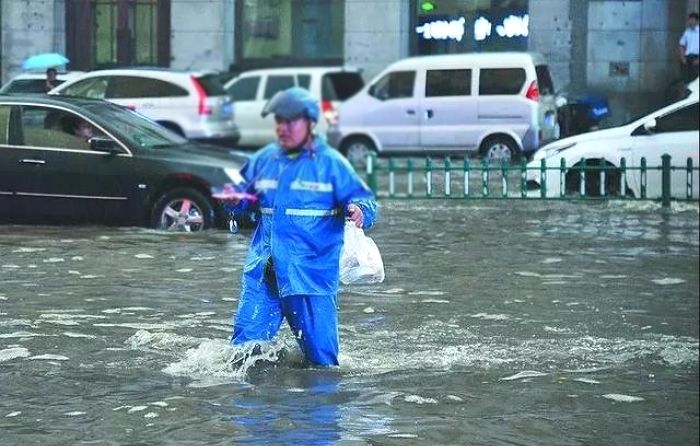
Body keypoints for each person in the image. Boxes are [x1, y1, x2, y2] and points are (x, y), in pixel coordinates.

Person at [228, 87, 377, 367]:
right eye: (279, 121)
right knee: (243, 357)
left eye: (290, 121)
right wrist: (235, 200)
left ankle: (315, 409)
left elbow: (364, 201)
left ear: (309, 123)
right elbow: (238, 201)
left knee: (323, 366)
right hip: (265, 274)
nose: (283, 127)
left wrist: (360, 211)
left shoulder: (331, 164)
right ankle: (251, 408)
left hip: (311, 279)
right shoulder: (263, 161)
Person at [679, 12, 699, 83]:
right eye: (689, 20)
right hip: (688, 58)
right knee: (687, 79)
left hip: (697, 57)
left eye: (692, 20)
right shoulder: (687, 32)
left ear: (696, 21)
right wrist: (682, 57)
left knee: (695, 80)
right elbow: (681, 45)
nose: (690, 22)